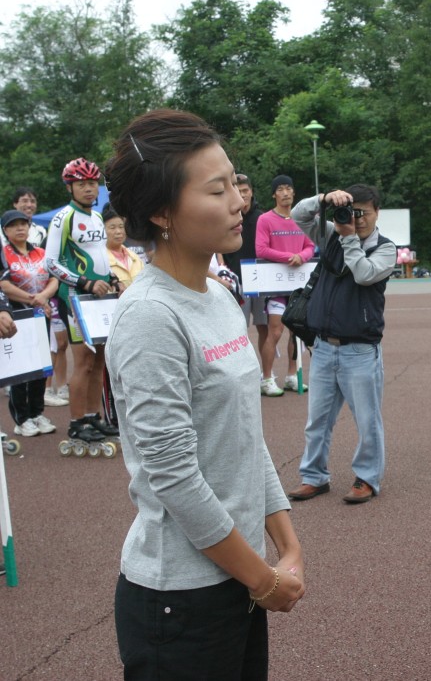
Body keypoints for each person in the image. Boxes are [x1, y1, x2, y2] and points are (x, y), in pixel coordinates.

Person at [104, 108, 304, 679]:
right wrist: (263, 577)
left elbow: (243, 431)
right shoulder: (149, 315)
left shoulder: (218, 296)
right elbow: (173, 475)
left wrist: (285, 545)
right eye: (217, 190)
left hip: (238, 580)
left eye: (235, 183)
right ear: (162, 213)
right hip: (180, 599)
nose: (240, 200)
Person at [286, 184, 397, 504]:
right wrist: (323, 200)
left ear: (377, 213)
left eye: (364, 212)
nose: (357, 219)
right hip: (323, 346)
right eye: (352, 211)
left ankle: (367, 478)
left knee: (367, 421)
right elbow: (297, 215)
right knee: (317, 420)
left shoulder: (385, 249)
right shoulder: (331, 237)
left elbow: (364, 274)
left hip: (360, 350)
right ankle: (313, 476)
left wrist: (348, 237)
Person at [44, 158, 121, 443]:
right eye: (82, 184)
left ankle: (93, 416)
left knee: (100, 358)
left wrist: (111, 276)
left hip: (100, 296)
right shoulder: (63, 218)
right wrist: (84, 282)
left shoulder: (98, 217)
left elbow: (100, 257)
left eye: (93, 183)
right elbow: (50, 263)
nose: (89, 189)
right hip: (76, 297)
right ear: (70, 188)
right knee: (84, 361)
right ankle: (77, 422)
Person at [0, 210, 58, 437]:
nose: (19, 228)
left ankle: (37, 412)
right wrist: (33, 299)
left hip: (41, 313)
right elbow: (3, 284)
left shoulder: (41, 252)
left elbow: (55, 277)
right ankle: (21, 418)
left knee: (40, 366)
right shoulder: (4, 254)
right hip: (18, 315)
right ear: (5, 230)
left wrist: (43, 297)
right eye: (13, 225)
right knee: (21, 368)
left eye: (23, 224)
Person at [255, 175, 314, 396]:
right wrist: (289, 256)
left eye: (289, 188)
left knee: (297, 332)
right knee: (275, 331)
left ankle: (292, 376)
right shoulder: (265, 220)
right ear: (274, 194)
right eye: (280, 189)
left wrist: (302, 256)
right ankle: (267, 378)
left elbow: (310, 245)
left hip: (299, 286)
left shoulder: (302, 219)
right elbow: (261, 249)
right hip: (275, 286)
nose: (286, 193)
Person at [221, 173, 269, 345]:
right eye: (238, 190)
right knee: (238, 328)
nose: (242, 194)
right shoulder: (228, 217)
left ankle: (267, 371)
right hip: (236, 279)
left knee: (265, 327)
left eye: (245, 190)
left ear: (251, 192)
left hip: (260, 280)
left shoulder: (262, 218)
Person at [103, 205, 144, 289]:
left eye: (121, 227)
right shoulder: (101, 260)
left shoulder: (135, 257)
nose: (118, 231)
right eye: (112, 227)